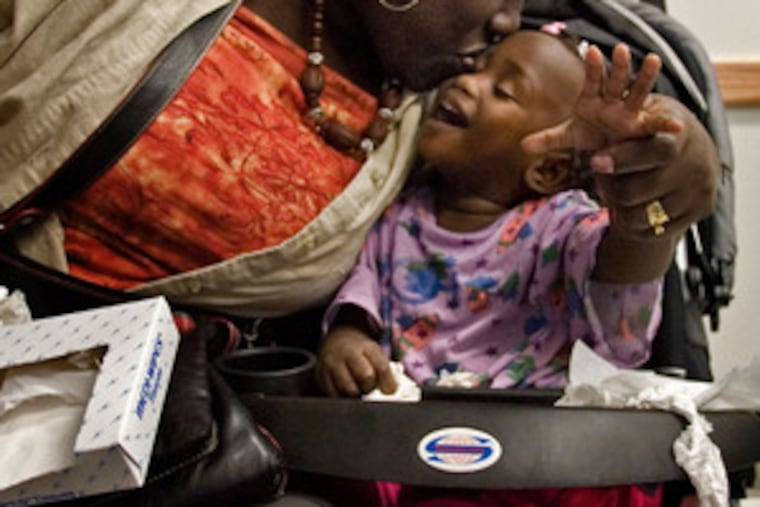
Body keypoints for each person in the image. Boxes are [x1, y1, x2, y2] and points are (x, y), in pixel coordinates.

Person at [0, 0, 718, 324]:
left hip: (173, 434)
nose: (509, 20)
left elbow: (587, 87)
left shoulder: (434, 111)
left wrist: (675, 158)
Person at [315, 26, 677, 507]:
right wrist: (349, 340)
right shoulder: (398, 215)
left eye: (502, 90)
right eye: (477, 68)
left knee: (607, 478)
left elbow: (618, 286)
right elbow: (360, 294)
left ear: (545, 170)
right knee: (336, 461)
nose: (467, 83)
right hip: (413, 443)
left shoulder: (563, 225)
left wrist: (642, 212)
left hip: (538, 448)